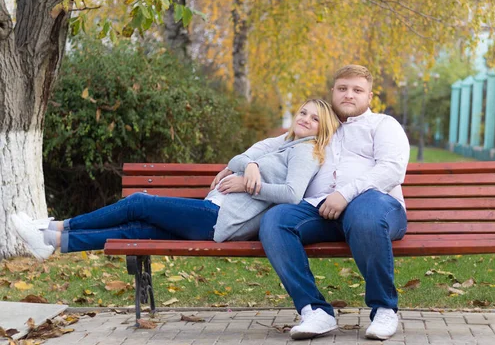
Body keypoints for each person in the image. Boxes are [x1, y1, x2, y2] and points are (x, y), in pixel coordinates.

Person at [213, 65, 410, 341]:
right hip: (321, 209)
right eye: (342, 88)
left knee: (364, 215)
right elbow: (269, 146)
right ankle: (315, 310)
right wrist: (247, 164)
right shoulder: (322, 127)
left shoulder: (383, 125)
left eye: (357, 90)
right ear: (333, 91)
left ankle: (384, 309)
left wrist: (345, 194)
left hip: (377, 206)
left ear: (369, 95)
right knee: (276, 220)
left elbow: (391, 170)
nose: (349, 95)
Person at [11, 99, 340, 260]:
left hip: (220, 221)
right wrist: (250, 164)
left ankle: (56, 228)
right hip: (211, 209)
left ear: (322, 127)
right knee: (136, 230)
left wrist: (247, 183)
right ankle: (53, 243)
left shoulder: (307, 151)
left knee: (139, 202)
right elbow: (238, 158)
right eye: (303, 112)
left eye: (315, 117)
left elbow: (293, 193)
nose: (306, 119)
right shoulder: (285, 141)